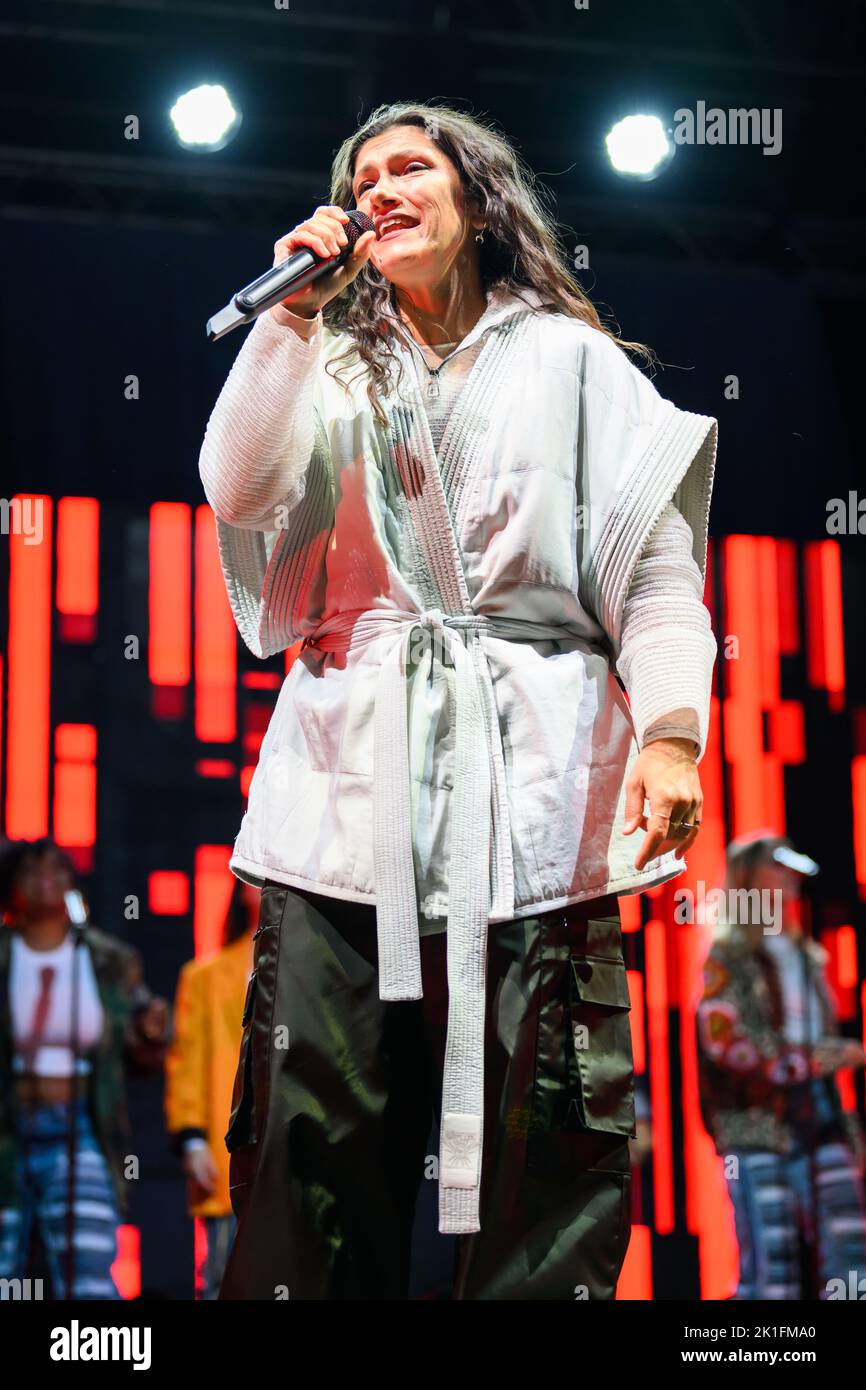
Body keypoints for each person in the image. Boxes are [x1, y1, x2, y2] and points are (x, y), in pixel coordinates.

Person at [198, 100, 718, 1300]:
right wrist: (287, 315)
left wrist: (674, 735)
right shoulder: (319, 348)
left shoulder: (570, 360)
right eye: (360, 174)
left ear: (473, 198)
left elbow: (652, 573)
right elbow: (235, 482)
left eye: (409, 166)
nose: (380, 185)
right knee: (309, 1141)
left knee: (552, 1143)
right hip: (345, 792)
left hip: (535, 783)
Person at [696, 830, 866, 1299]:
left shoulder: (807, 956)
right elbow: (725, 1041)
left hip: (821, 1117)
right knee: (772, 1269)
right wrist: (811, 1060)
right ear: (749, 879)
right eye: (777, 865)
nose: (789, 876)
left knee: (853, 1262)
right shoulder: (726, 956)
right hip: (756, 1125)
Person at [0, 837, 168, 1299]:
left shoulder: (106, 959)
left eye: (57, 870)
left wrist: (150, 1031)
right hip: (6, 1130)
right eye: (31, 872)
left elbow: (140, 1045)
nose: (46, 880)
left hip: (76, 1125)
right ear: (11, 887)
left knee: (90, 1271)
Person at [164, 878, 259, 1299]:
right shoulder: (204, 977)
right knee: (224, 1274)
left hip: (293, 1148)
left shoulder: (317, 974)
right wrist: (192, 1139)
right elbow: (187, 1062)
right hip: (227, 1150)